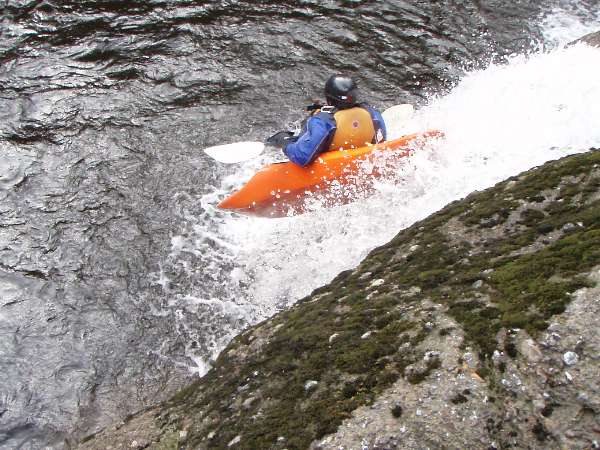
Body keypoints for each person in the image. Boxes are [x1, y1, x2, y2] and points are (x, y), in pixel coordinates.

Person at [271, 75, 387, 167]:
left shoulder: (323, 121)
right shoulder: (372, 114)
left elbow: (302, 157)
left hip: (330, 165)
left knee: (282, 137)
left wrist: (285, 144)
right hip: (360, 160)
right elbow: (381, 141)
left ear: (329, 99)